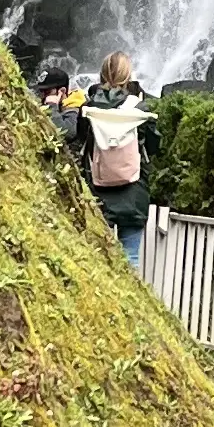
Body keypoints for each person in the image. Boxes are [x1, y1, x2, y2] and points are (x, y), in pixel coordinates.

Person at [66, 51, 156, 267]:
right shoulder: (139, 109)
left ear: (102, 74)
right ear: (128, 76)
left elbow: (81, 140)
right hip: (133, 192)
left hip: (98, 190)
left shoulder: (88, 109)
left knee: (96, 256)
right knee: (131, 258)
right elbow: (153, 146)